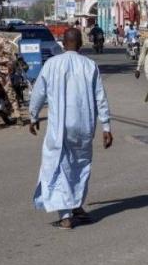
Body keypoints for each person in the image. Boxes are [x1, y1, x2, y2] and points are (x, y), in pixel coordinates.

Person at [29, 28, 111, 230]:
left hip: (60, 128)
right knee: (80, 165)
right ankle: (76, 206)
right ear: (81, 44)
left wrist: (33, 116)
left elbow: (39, 92)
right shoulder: (90, 65)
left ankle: (66, 216)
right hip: (84, 125)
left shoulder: (51, 64)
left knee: (59, 166)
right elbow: (100, 97)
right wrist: (106, 127)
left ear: (63, 44)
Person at [0, 28, 22, 123]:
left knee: (10, 93)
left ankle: (18, 116)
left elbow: (10, 57)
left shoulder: (2, 40)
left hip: (2, 71)